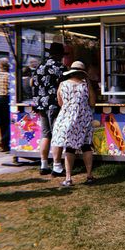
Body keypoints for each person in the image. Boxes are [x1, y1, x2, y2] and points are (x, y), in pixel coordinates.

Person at [51, 61, 96, 187]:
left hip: (66, 118)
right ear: (82, 73)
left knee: (69, 148)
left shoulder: (62, 84)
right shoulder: (86, 85)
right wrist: (89, 85)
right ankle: (89, 175)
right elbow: (92, 103)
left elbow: (60, 103)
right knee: (86, 146)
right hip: (84, 118)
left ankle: (68, 178)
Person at [31, 41, 66, 176]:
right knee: (57, 134)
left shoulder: (39, 67)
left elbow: (32, 83)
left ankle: (44, 164)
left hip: (41, 105)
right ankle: (57, 166)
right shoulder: (60, 67)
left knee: (45, 135)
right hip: (54, 104)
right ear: (59, 54)